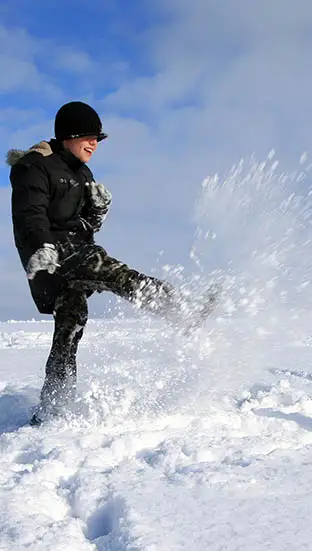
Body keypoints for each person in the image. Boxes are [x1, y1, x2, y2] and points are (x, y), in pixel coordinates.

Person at [7, 101, 215, 425]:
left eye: (97, 138)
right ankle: (180, 309)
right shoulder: (36, 167)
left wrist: (97, 211)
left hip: (74, 251)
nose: (94, 144)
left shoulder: (82, 172)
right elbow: (29, 214)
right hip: (51, 255)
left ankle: (52, 409)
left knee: (70, 328)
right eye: (88, 136)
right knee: (117, 274)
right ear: (68, 136)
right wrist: (42, 246)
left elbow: (85, 226)